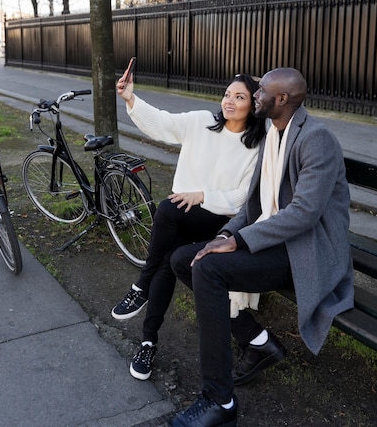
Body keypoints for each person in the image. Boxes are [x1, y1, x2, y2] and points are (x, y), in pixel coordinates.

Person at [169, 67, 354, 427]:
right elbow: (253, 204)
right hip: (276, 239)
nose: (255, 95)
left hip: (307, 250)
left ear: (282, 99)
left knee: (208, 268)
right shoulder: (274, 132)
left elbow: (303, 214)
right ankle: (255, 340)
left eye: (262, 91)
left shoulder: (316, 139)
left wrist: (239, 240)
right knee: (183, 259)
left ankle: (219, 401)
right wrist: (225, 235)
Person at [112, 72, 267, 381]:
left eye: (240, 97)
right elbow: (162, 123)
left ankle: (141, 284)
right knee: (168, 261)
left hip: (219, 223)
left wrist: (202, 196)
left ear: (253, 106)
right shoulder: (201, 123)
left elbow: (242, 198)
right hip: (183, 219)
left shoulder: (256, 147)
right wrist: (130, 97)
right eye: (227, 94)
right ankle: (148, 341)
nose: (229, 101)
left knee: (167, 209)